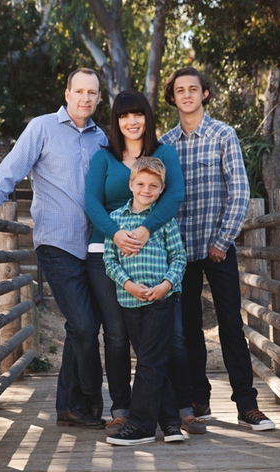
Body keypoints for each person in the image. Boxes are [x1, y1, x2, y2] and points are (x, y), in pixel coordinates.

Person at [0, 68, 107, 429]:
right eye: (80, 91)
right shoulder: (41, 128)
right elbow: (11, 170)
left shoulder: (102, 139)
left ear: (99, 98)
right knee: (85, 326)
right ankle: (92, 396)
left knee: (83, 328)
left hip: (94, 248)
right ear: (67, 93)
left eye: (93, 93)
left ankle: (68, 406)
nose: (86, 98)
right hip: (57, 243)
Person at [159, 67, 275, 431]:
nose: (188, 95)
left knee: (230, 325)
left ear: (205, 94)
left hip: (218, 247)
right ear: (173, 97)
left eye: (194, 89)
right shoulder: (165, 144)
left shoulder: (223, 134)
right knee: (189, 328)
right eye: (180, 90)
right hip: (181, 251)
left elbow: (239, 192)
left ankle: (246, 404)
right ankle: (199, 399)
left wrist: (222, 241)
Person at [85, 90, 205, 436]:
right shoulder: (103, 157)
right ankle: (123, 409)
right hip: (109, 254)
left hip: (158, 255)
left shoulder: (163, 153)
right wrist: (117, 234)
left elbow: (176, 195)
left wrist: (143, 228)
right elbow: (92, 202)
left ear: (147, 118)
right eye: (124, 116)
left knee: (175, 337)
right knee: (119, 336)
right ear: (116, 121)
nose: (131, 121)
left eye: (138, 114)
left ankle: (180, 410)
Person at [103, 156, 186, 445]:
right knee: (153, 361)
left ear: (162, 189)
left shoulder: (163, 221)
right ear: (130, 185)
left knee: (149, 362)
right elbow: (109, 261)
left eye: (153, 185)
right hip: (129, 301)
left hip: (161, 300)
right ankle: (172, 422)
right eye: (140, 184)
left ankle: (141, 426)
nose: (146, 190)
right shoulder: (116, 220)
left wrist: (166, 285)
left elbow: (179, 258)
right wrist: (127, 284)